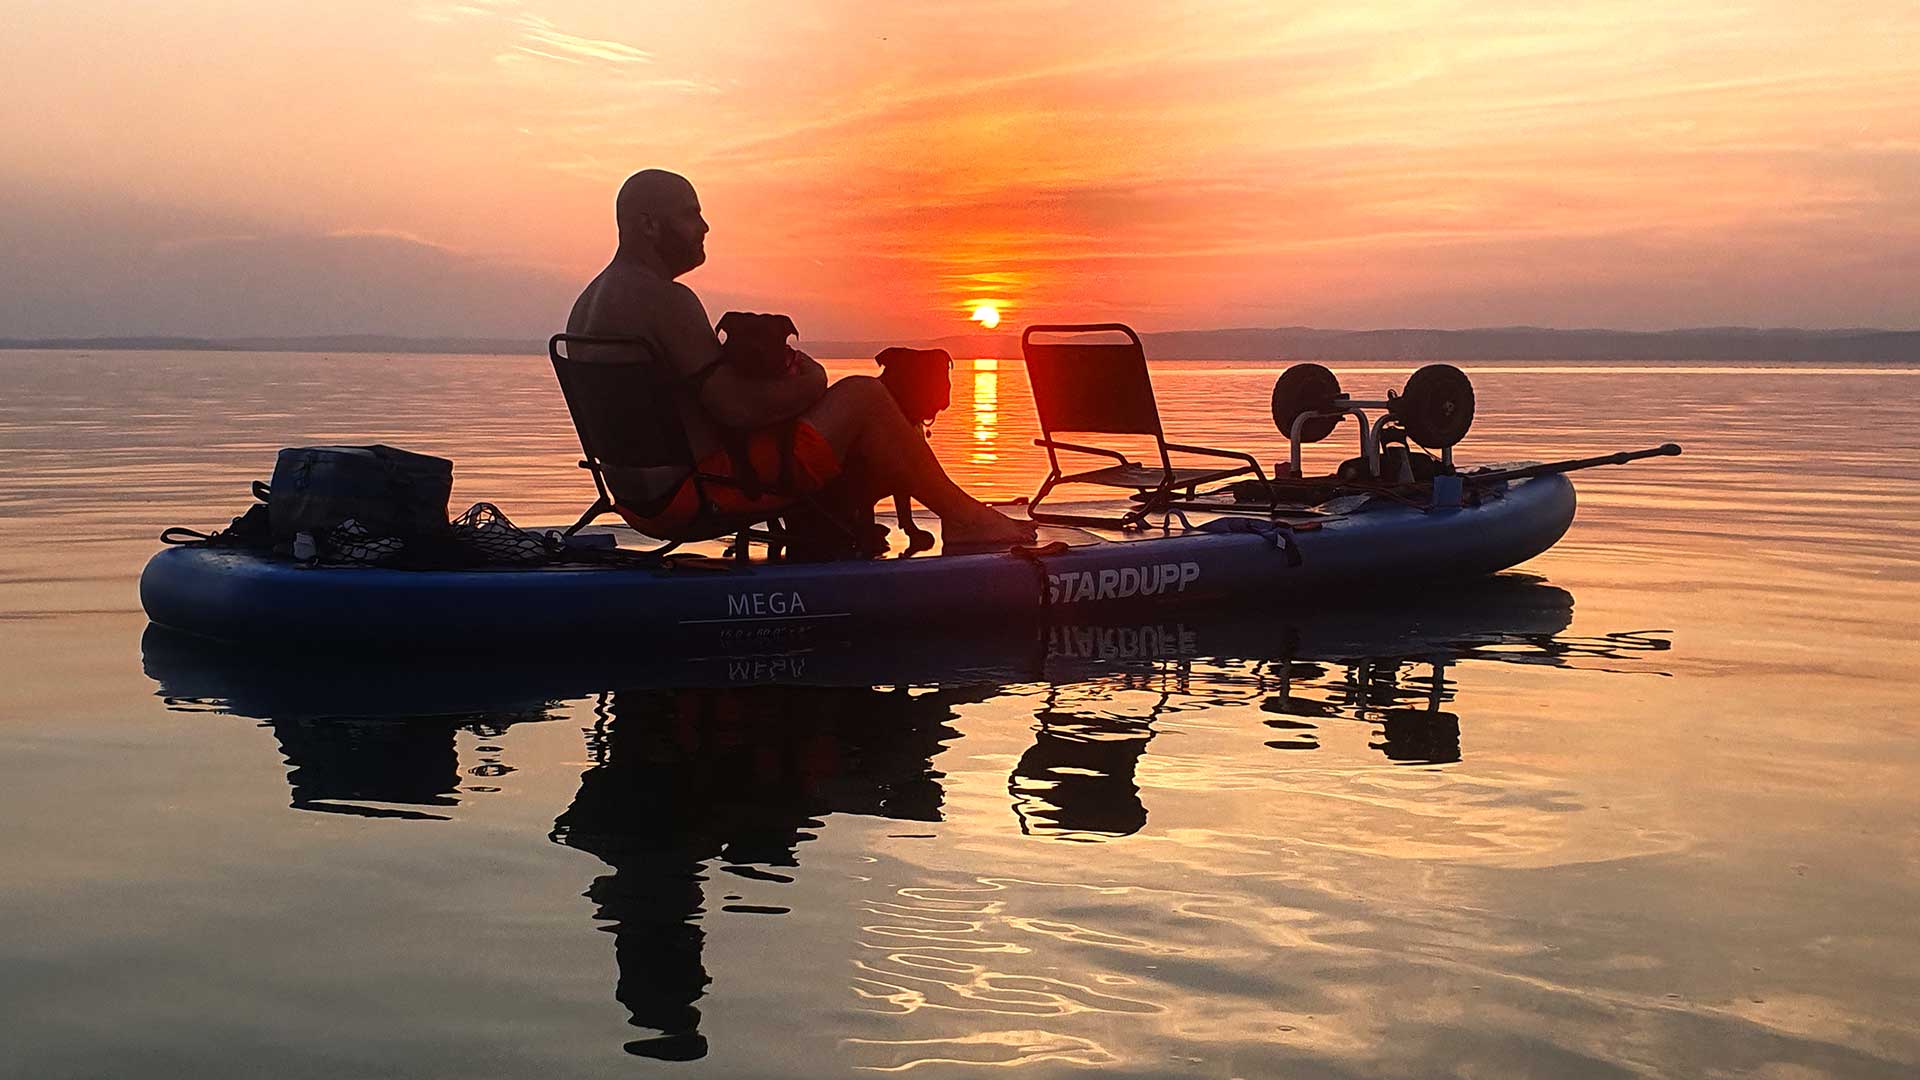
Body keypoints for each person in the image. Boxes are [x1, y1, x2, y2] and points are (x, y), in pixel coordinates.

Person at [566, 169, 1036, 549]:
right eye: (692, 215)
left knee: (835, 414)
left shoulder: (588, 305)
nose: (704, 227)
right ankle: (963, 517)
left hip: (634, 500)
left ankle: (831, 533)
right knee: (864, 396)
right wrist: (811, 379)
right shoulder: (666, 299)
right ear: (648, 224)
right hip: (698, 493)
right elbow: (736, 409)